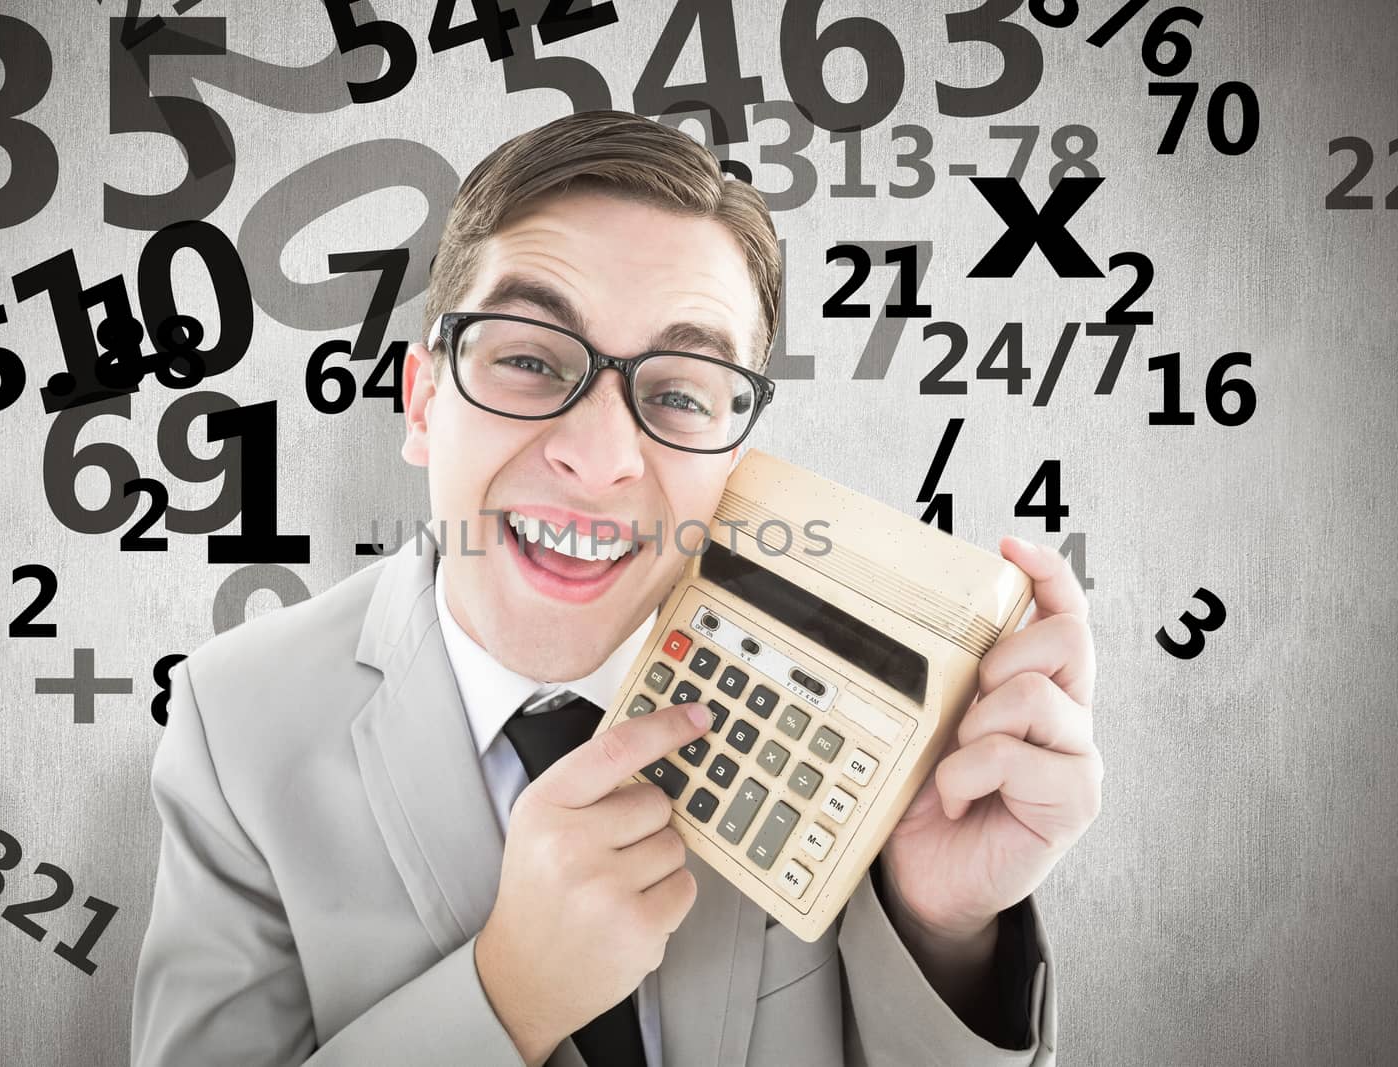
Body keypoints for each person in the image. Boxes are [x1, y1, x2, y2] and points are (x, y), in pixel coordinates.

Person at [130, 109, 1099, 1066]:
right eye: (525, 358)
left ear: (735, 456)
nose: (598, 458)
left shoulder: (863, 712)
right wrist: (507, 993)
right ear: (423, 402)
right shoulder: (238, 720)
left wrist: (946, 931)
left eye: (679, 392)